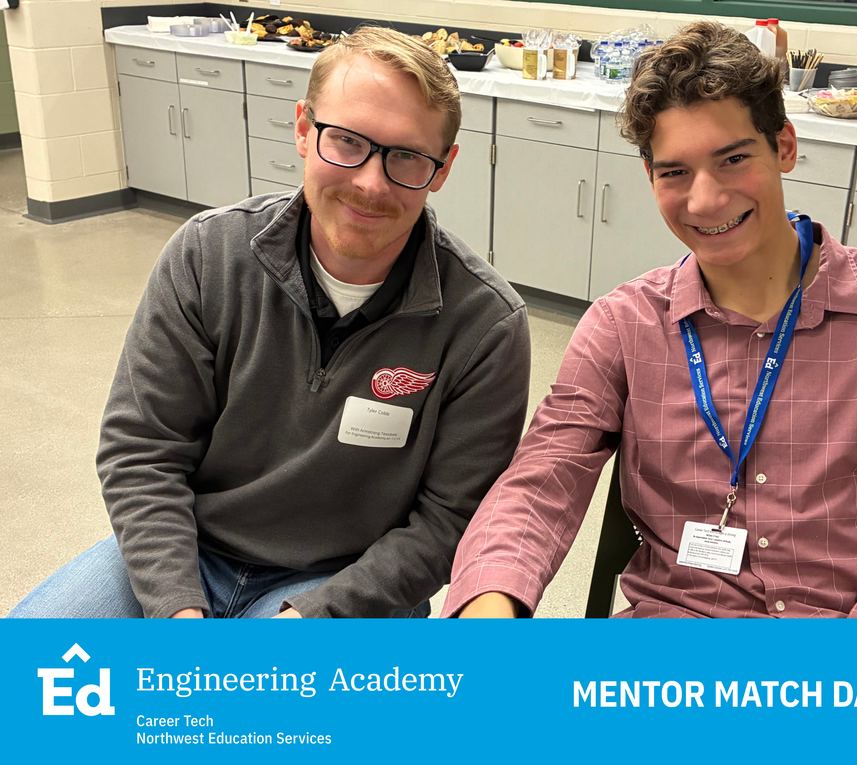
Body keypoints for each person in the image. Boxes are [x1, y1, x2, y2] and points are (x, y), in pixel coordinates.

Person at [443, 21, 857, 619]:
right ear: (649, 178)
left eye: (733, 159)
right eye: (675, 173)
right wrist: (490, 602)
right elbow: (540, 480)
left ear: (785, 147)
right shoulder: (624, 325)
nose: (704, 200)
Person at [8, 26, 531, 619]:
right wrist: (177, 610)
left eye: (407, 156)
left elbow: (449, 522)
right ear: (305, 130)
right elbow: (143, 449)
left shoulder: (485, 325)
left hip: (343, 584)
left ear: (442, 168)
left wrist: (309, 621)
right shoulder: (209, 256)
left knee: (263, 707)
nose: (369, 181)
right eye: (348, 141)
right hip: (190, 548)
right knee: (30, 681)